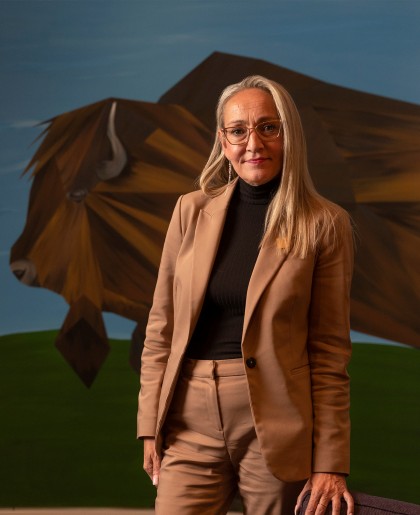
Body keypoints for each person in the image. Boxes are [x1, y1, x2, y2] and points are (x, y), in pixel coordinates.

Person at [137, 75, 354, 515]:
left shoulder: (325, 224)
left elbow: (329, 352)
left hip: (278, 423)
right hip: (188, 418)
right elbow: (161, 327)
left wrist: (330, 462)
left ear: (288, 134)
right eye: (238, 131)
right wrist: (148, 426)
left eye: (268, 127)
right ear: (223, 140)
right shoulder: (190, 211)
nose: (253, 143)